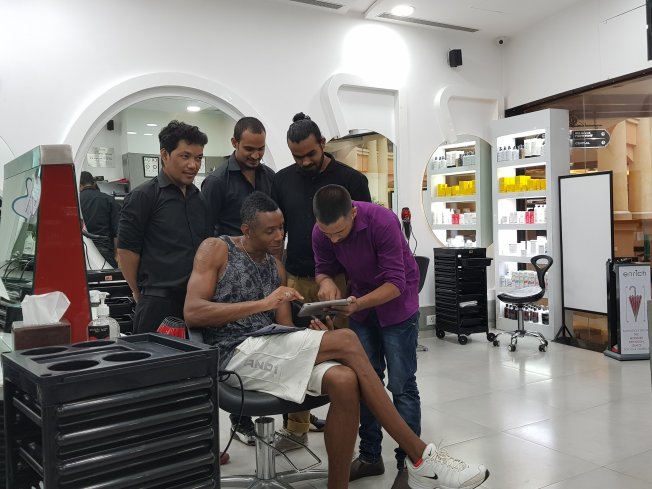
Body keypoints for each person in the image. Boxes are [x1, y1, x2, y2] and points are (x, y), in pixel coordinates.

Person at [184, 191, 489, 489]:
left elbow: (284, 327)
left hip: (270, 349)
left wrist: (314, 339)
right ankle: (422, 458)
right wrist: (263, 304)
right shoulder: (216, 249)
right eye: (270, 231)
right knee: (346, 340)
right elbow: (193, 312)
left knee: (345, 380)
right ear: (247, 230)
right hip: (232, 355)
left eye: (282, 228)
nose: (279, 237)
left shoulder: (275, 266)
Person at [311, 184, 421, 489]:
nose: (333, 239)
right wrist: (325, 284)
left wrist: (357, 304)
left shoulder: (382, 221)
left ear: (354, 213)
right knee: (365, 383)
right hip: (361, 308)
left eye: (339, 232)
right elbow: (323, 269)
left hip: (397, 306)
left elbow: (396, 283)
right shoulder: (321, 231)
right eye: (327, 234)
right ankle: (371, 457)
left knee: (401, 385)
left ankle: (409, 466)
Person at [271, 113, 371, 444]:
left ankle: (351, 433)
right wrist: (278, 275)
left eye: (310, 154)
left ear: (323, 144)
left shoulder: (352, 180)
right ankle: (296, 429)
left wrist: (355, 284)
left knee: (347, 355)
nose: (304, 162)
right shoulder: (282, 180)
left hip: (340, 281)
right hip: (297, 279)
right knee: (296, 355)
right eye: (296, 156)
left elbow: (362, 236)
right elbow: (277, 233)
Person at [117, 120, 211, 334]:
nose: (193, 165)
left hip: (196, 303)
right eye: (185, 156)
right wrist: (139, 293)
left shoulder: (199, 199)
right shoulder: (143, 196)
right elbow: (126, 251)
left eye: (198, 158)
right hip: (158, 304)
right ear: (165, 155)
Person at [201, 116, 274, 237]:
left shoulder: (270, 176)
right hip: (228, 249)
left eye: (261, 149)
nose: (256, 156)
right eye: (249, 149)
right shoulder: (216, 182)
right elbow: (205, 230)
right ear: (234, 143)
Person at [79, 170, 120, 268]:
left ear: (79, 185)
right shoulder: (109, 200)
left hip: (83, 250)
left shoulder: (76, 200)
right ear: (94, 183)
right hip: (105, 250)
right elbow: (118, 231)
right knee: (107, 276)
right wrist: (117, 255)